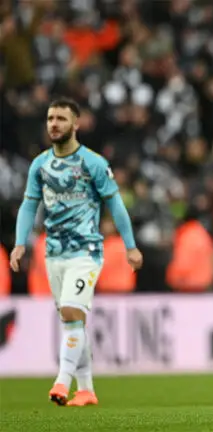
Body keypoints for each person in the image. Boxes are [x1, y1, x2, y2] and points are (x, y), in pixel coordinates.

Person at [10, 98, 142, 407]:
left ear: (76, 124)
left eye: (61, 119)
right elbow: (30, 205)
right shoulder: (40, 164)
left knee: (71, 311)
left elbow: (116, 204)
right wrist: (20, 242)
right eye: (50, 118)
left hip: (86, 252)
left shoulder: (93, 163)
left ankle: (62, 381)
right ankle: (86, 390)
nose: (53, 123)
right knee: (72, 323)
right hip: (53, 254)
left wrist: (130, 246)